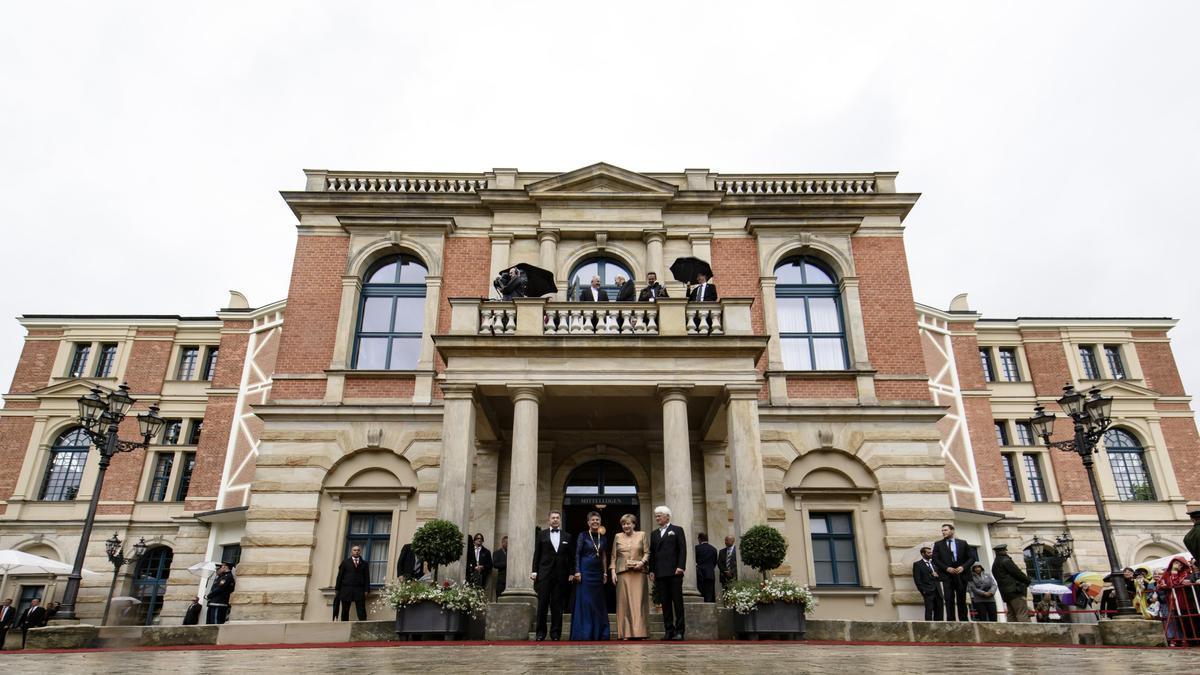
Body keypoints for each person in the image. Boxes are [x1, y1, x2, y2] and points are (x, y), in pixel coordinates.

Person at [531, 510, 575, 641]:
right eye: (553, 518)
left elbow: (571, 557)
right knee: (543, 604)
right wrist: (534, 571)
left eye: (557, 518)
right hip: (544, 574)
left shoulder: (567, 536)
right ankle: (540, 633)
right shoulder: (541, 534)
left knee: (557, 606)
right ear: (549, 520)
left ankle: (556, 634)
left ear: (560, 520)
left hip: (561, 575)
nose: (555, 520)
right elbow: (536, 554)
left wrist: (572, 572)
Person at [648, 505, 687, 640]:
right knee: (664, 603)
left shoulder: (677, 530)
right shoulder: (654, 534)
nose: (657, 518)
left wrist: (681, 566)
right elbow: (652, 553)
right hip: (660, 573)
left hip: (674, 572)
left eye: (659, 515)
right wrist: (651, 570)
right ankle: (669, 631)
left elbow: (683, 550)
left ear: (667, 516)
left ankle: (680, 631)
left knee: (677, 602)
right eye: (656, 516)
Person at [570, 511, 610, 641]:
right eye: (593, 520)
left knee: (597, 603)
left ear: (600, 522)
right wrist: (577, 571)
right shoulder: (583, 536)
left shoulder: (602, 538)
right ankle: (584, 633)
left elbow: (604, 556)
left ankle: (599, 633)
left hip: (597, 573)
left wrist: (605, 572)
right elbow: (577, 554)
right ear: (588, 522)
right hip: (585, 572)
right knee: (586, 602)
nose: (595, 522)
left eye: (597, 520)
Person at [610, 513, 649, 640]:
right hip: (622, 573)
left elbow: (647, 552)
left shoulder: (642, 535)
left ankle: (640, 632)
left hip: (639, 572)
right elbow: (613, 556)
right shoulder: (617, 536)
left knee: (638, 602)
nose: (626, 526)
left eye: (628, 523)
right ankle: (625, 633)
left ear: (634, 524)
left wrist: (641, 563)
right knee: (624, 603)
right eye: (624, 524)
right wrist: (612, 572)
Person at [932, 523, 973, 621]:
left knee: (961, 598)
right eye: (942, 530)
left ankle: (964, 620)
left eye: (945, 530)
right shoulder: (938, 544)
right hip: (947, 575)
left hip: (961, 575)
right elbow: (935, 559)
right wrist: (946, 568)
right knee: (949, 598)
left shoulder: (963, 543)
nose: (943, 532)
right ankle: (951, 621)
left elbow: (972, 558)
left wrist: (963, 567)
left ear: (952, 530)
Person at [991, 543, 1031, 622]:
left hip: (1005, 593)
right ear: (1003, 551)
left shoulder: (994, 564)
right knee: (1022, 612)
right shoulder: (1006, 560)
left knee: (1011, 614)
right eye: (1005, 550)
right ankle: (1026, 632)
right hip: (1015, 590)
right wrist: (1027, 581)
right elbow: (1017, 573)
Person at [335, 545, 371, 621]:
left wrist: (366, 590)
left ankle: (363, 627)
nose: (356, 552)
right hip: (346, 589)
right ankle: (344, 626)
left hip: (359, 589)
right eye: (354, 550)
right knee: (345, 610)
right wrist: (337, 589)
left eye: (358, 550)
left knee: (361, 609)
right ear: (351, 552)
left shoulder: (364, 564)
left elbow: (367, 577)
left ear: (360, 552)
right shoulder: (345, 562)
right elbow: (340, 576)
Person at [912, 546, 943, 621]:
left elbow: (941, 577)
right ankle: (929, 627)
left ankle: (939, 626)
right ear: (923, 554)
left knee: (939, 610)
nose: (931, 554)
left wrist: (937, 575)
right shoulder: (918, 564)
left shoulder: (934, 563)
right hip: (928, 591)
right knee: (929, 610)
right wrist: (923, 591)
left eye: (931, 552)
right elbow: (917, 579)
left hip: (938, 591)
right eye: (929, 553)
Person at [694, 532, 718, 603]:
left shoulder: (697, 548)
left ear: (699, 539)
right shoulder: (714, 549)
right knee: (709, 593)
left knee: (701, 592)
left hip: (700, 573)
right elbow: (714, 562)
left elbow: (695, 560)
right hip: (710, 573)